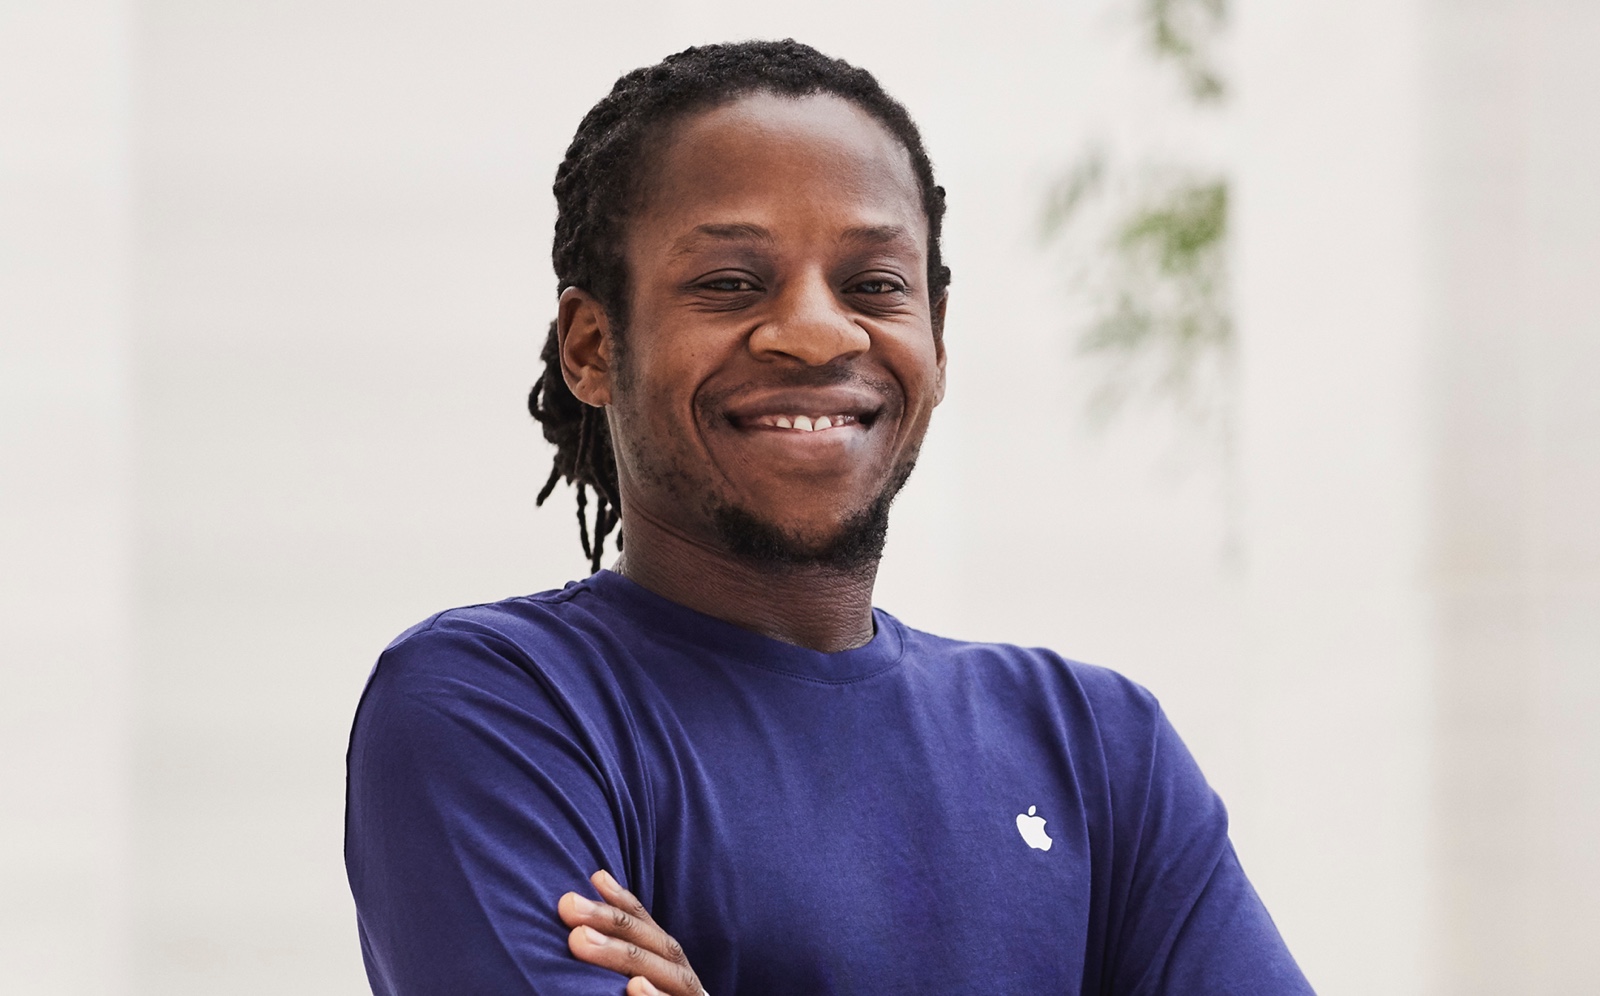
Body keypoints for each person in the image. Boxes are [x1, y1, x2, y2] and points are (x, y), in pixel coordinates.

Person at [344, 39, 1313, 996]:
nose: (815, 333)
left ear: (936, 336)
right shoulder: (497, 712)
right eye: (730, 283)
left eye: (873, 286)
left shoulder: (1098, 749)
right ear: (594, 346)